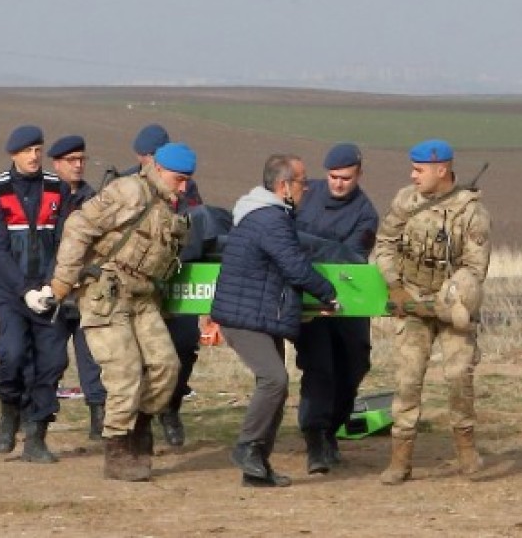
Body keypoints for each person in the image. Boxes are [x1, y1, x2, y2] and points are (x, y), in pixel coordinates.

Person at [48, 142, 196, 482]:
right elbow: (78, 226)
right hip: (107, 295)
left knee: (165, 366)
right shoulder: (129, 191)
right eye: (179, 178)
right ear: (159, 170)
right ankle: (117, 450)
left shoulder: (172, 206)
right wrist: (62, 281)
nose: (184, 186)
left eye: (188, 180)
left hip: (144, 300)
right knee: (125, 372)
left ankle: (139, 430)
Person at [210, 153, 341, 488]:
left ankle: (257, 468)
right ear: (284, 186)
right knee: (274, 380)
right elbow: (295, 266)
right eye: (302, 182)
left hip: (261, 314)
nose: (307, 188)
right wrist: (329, 294)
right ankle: (246, 448)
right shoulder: (270, 219)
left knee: (274, 388)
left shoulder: (266, 214)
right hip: (245, 318)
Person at [372, 139, 492, 485]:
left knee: (459, 377)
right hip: (410, 301)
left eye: (419, 170)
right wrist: (394, 285)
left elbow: (474, 268)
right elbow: (385, 243)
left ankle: (466, 450)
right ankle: (401, 459)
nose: (413, 176)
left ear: (442, 170)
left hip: (452, 308)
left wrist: (447, 302)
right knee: (407, 381)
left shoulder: (472, 212)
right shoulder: (404, 201)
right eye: (412, 168)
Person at [0, 124, 69, 463]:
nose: (34, 156)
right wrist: (24, 290)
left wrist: (49, 285)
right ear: (13, 154)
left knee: (52, 362)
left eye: (38, 150)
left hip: (48, 291)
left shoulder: (56, 189)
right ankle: (9, 409)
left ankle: (37, 435)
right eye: (28, 151)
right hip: (9, 291)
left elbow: (64, 242)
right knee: (14, 354)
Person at [293, 142, 378, 474]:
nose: (338, 183)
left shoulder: (366, 213)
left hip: (349, 299)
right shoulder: (307, 193)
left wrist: (309, 245)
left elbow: (352, 258)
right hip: (308, 298)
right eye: (333, 176)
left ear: (358, 175)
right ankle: (315, 437)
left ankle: (332, 429)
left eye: (346, 177)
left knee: (356, 363)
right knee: (319, 367)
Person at [117, 123, 202, 448]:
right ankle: (142, 423)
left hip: (176, 280)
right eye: (148, 157)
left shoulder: (186, 187)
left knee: (183, 347)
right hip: (138, 285)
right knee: (138, 357)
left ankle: (172, 408)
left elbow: (195, 227)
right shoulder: (124, 185)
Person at [47, 134, 107, 441]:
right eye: (72, 160)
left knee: (91, 358)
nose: (79, 165)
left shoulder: (94, 199)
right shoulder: (46, 198)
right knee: (50, 357)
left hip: (84, 290)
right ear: (56, 163)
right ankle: (39, 418)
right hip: (53, 291)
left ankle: (98, 418)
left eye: (82, 159)